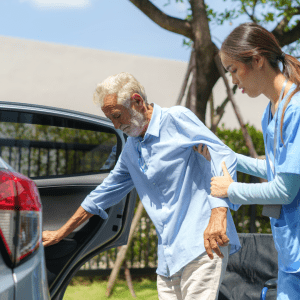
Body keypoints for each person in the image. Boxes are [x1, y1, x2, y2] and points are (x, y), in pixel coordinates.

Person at [42, 72, 241, 300]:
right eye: (111, 120)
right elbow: (103, 193)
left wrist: (218, 213)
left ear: (137, 101)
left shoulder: (175, 119)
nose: (116, 125)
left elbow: (223, 154)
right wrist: (61, 232)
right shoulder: (131, 149)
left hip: (203, 242)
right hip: (169, 255)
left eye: (117, 116)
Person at [196, 22, 300, 300]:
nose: (232, 80)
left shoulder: (296, 109)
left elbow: (285, 190)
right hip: (291, 255)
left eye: (233, 70)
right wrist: (230, 157)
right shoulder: (272, 110)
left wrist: (229, 190)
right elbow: (276, 170)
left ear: (256, 60)